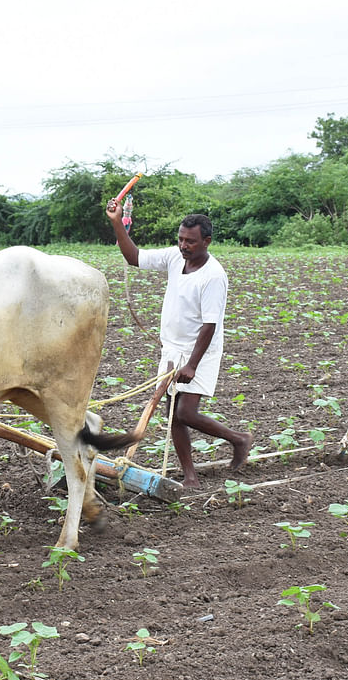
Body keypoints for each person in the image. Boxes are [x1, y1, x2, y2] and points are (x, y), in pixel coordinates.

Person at [106, 200, 249, 488]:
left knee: (186, 412)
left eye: (191, 242)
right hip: (172, 348)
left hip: (200, 350)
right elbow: (134, 257)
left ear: (206, 241)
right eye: (181, 239)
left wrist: (192, 365)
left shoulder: (213, 276)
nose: (184, 246)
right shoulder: (174, 257)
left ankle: (239, 439)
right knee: (173, 413)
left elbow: (210, 324)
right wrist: (116, 222)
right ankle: (190, 476)